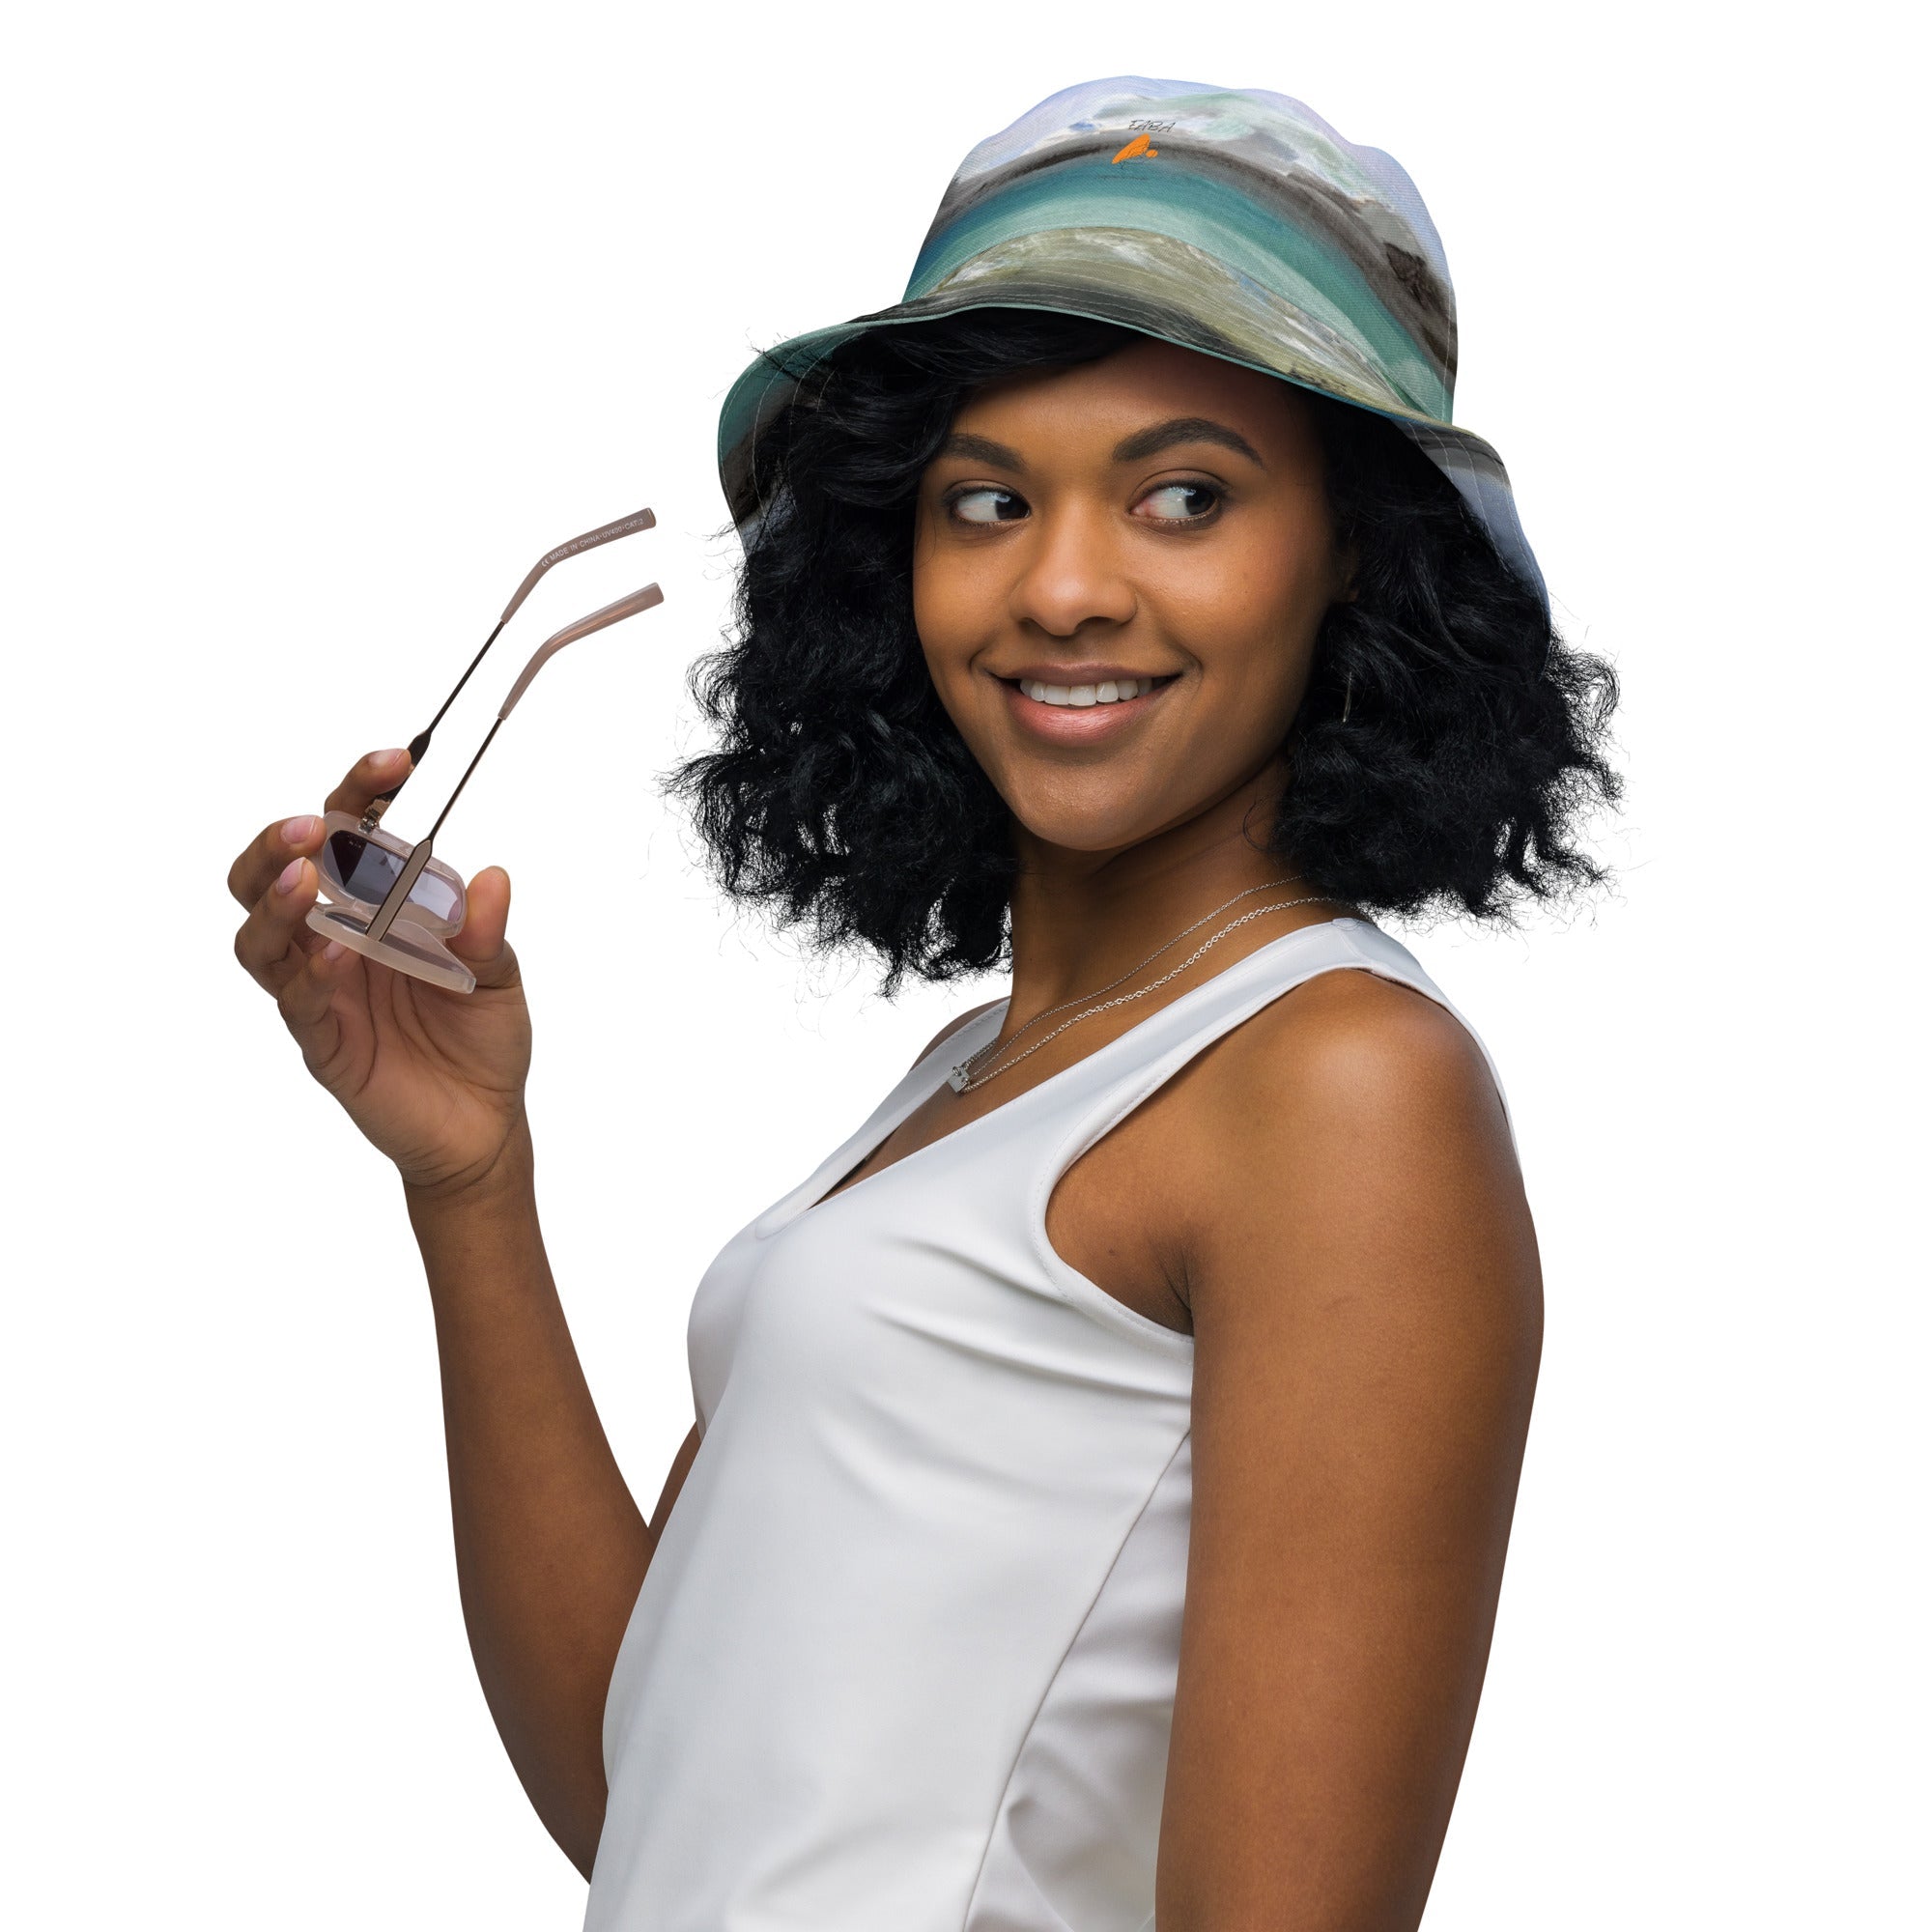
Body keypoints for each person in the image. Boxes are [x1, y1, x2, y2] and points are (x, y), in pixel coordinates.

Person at [229, 77, 1616, 1932]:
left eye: (1185, 497)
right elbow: (649, 1793)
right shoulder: (973, 1080)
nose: (1064, 587)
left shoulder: (1344, 1088)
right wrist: (472, 1179)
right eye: (987, 500)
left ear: (1351, 546)